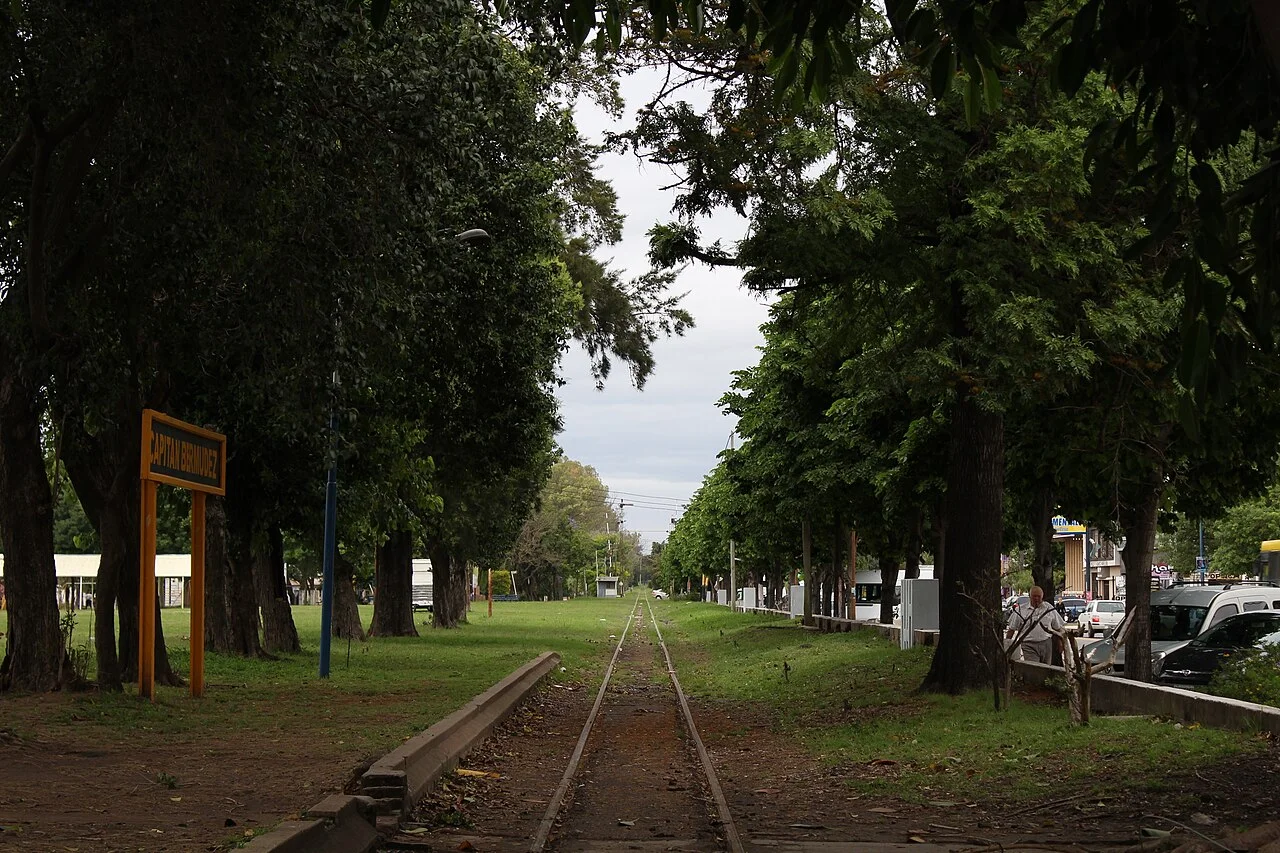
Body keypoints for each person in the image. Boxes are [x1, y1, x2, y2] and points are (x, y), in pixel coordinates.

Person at [1005, 585, 1064, 663]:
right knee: (1034, 667)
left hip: (1046, 643)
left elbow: (1058, 627)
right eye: (1034, 596)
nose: (1036, 598)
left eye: (1038, 596)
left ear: (1042, 597)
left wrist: (1060, 642)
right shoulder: (1020, 610)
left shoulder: (1048, 608)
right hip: (1028, 645)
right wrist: (1007, 645)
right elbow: (1011, 629)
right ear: (1030, 596)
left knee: (1046, 668)